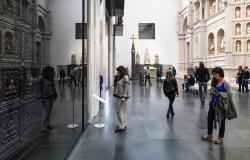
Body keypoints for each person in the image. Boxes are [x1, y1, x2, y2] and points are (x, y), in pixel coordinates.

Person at [201, 67, 232, 144]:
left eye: (216, 74)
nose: (214, 76)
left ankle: (220, 138)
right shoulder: (213, 81)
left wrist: (220, 93)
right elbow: (212, 90)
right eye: (213, 74)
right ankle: (209, 134)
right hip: (212, 104)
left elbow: (230, 95)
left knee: (221, 121)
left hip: (221, 106)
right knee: (209, 119)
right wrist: (212, 94)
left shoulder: (226, 84)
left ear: (220, 74)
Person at [39, 66, 58, 133]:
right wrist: (40, 97)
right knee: (46, 112)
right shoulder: (42, 79)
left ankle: (47, 124)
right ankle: (43, 126)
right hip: (45, 98)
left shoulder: (50, 78)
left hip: (51, 97)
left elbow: (53, 87)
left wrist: (55, 94)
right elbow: (39, 89)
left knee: (49, 111)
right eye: (52, 71)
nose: (53, 73)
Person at [113, 66, 130, 132]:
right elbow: (118, 86)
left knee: (119, 111)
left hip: (122, 97)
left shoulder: (125, 77)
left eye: (118, 71)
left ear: (121, 71)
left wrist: (124, 96)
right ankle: (123, 124)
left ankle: (122, 126)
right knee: (122, 111)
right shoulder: (121, 77)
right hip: (119, 96)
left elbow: (127, 87)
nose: (117, 72)